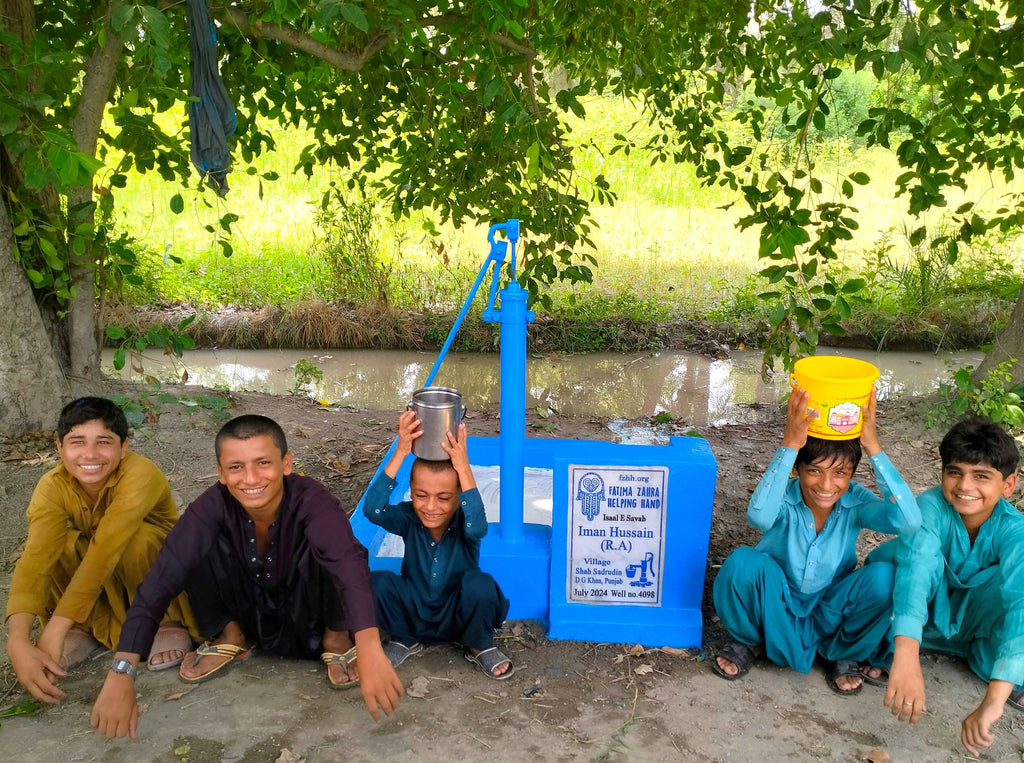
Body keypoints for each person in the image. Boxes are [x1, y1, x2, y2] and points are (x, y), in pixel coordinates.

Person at [90, 414, 402, 739]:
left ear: (286, 464)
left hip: (310, 616)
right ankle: (230, 635)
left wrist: (369, 649)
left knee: (336, 546)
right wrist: (122, 670)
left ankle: (336, 641)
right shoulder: (211, 505)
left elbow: (349, 566)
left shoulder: (313, 500)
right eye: (236, 467)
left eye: (263, 462)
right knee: (191, 543)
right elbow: (162, 577)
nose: (251, 478)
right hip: (252, 612)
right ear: (222, 473)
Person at [711, 386, 920, 695]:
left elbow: (909, 520)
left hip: (827, 609)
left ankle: (839, 653)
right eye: (814, 471)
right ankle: (750, 641)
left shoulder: (856, 502)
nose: (826, 484)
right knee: (743, 562)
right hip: (775, 604)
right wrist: (790, 444)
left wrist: (873, 447)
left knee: (883, 578)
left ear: (851, 475)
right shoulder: (783, 497)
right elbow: (759, 517)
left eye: (840, 473)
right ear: (797, 469)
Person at [6, 397, 195, 705]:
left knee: (138, 539)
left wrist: (54, 629)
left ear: (124, 447)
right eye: (77, 442)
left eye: (103, 442)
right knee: (59, 545)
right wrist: (17, 639)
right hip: (97, 586)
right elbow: (35, 559)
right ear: (59, 447)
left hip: (152, 575)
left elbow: (105, 550)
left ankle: (167, 623)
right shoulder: (51, 486)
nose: (90, 454)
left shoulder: (140, 473)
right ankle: (84, 628)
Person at [881, 416, 1024, 756]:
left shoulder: (1015, 529)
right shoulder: (931, 506)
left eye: (982, 476)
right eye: (955, 472)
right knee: (888, 577)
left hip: (976, 624)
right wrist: (906, 656)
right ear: (942, 474)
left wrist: (993, 701)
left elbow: (1020, 602)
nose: (965, 486)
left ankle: (1000, 675)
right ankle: (895, 649)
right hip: (924, 613)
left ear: (1008, 485)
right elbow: (916, 573)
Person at [362, 409, 513, 679]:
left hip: (457, 615)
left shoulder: (466, 521)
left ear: (459, 497)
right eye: (421, 495)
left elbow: (479, 526)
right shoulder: (408, 517)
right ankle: (406, 640)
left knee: (480, 583)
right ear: (411, 490)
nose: (430, 507)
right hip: (415, 612)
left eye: (443, 498)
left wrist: (463, 468)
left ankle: (479, 646)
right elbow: (373, 510)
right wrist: (401, 452)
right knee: (377, 582)